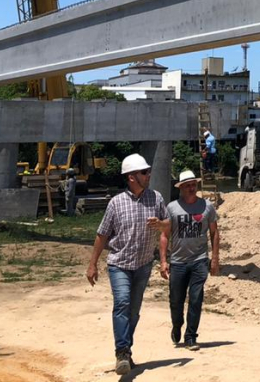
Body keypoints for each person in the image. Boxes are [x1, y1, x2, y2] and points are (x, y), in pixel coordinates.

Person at [86, 153, 168, 376]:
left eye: (148, 171)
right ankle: (121, 352)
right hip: (119, 264)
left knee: (133, 311)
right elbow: (102, 235)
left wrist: (161, 224)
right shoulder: (116, 203)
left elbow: (169, 227)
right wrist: (92, 264)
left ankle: (126, 350)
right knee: (122, 303)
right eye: (144, 172)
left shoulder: (156, 198)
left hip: (143, 265)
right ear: (132, 177)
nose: (148, 175)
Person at [160, 169, 220, 351]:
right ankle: (177, 324)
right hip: (178, 262)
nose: (192, 188)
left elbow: (214, 232)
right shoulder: (172, 208)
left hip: (199, 260)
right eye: (188, 186)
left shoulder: (207, 206)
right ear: (181, 188)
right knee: (176, 300)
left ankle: (191, 336)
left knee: (196, 298)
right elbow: (164, 235)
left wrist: (215, 258)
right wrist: (163, 261)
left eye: (194, 185)